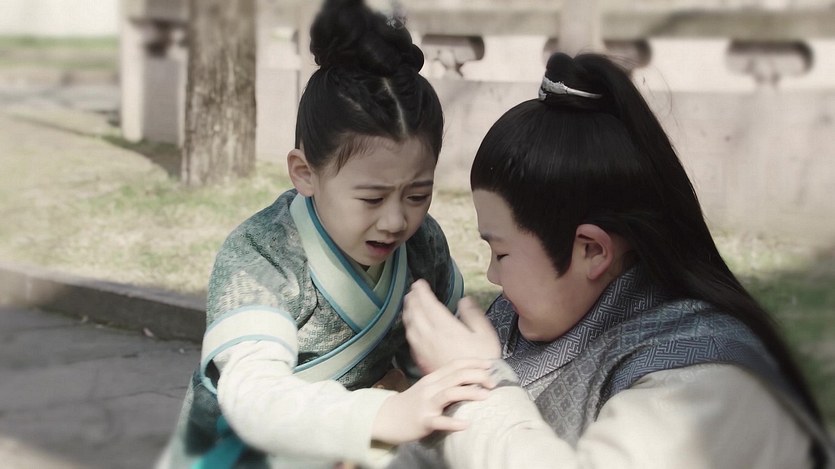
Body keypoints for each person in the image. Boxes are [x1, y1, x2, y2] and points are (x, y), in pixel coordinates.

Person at [394, 52, 835, 468]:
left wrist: (474, 386)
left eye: (501, 252)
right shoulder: (527, 318)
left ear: (592, 250)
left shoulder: (702, 382)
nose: (492, 275)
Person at [156, 1, 495, 467]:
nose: (396, 220)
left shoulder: (424, 245)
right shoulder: (261, 252)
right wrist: (383, 414)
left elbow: (438, 357)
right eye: (372, 198)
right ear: (305, 173)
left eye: (417, 194)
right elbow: (253, 396)